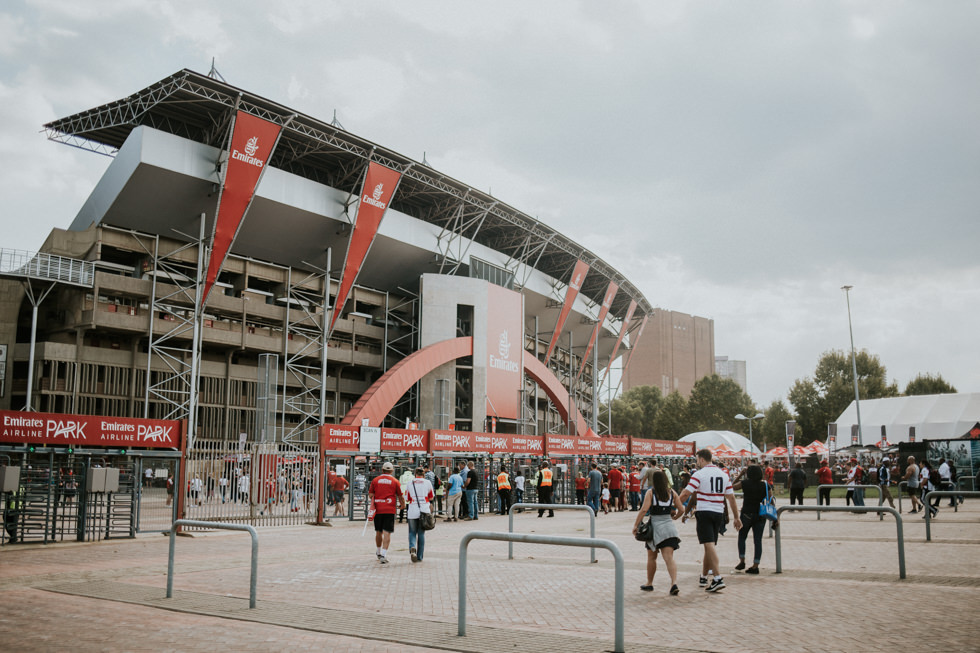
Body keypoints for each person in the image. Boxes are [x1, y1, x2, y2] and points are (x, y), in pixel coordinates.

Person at [677, 449, 741, 593]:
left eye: (697, 459)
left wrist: (676, 507)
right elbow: (731, 498)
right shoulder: (724, 475)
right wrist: (736, 517)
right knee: (709, 544)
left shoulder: (698, 475)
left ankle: (717, 578)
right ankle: (704, 576)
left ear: (701, 459)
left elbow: (686, 493)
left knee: (708, 544)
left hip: (704, 511)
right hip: (718, 512)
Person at [632, 467, 683, 595]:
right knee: (669, 558)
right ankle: (674, 583)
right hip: (669, 528)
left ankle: (649, 583)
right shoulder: (672, 492)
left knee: (652, 557)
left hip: (655, 528)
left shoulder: (651, 492)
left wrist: (636, 525)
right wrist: (675, 517)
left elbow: (644, 510)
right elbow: (681, 509)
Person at [733, 464, 769, 575]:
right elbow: (770, 500)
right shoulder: (765, 485)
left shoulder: (745, 483)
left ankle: (742, 560)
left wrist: (740, 474)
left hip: (747, 514)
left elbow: (732, 486)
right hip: (760, 515)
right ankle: (755, 565)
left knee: (742, 537)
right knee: (758, 540)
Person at [369, 461, 406, 564]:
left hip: (378, 509)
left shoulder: (375, 480)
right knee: (387, 532)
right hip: (389, 510)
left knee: (378, 531)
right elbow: (400, 496)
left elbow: (370, 495)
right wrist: (402, 505)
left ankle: (378, 551)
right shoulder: (395, 481)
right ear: (392, 471)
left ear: (382, 470)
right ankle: (384, 554)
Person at [404, 467, 434, 563]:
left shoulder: (410, 483)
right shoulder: (427, 483)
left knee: (412, 532)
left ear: (415, 474)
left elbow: (407, 498)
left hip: (412, 510)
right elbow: (431, 496)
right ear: (423, 474)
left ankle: (412, 547)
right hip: (424, 510)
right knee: (421, 533)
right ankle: (420, 556)